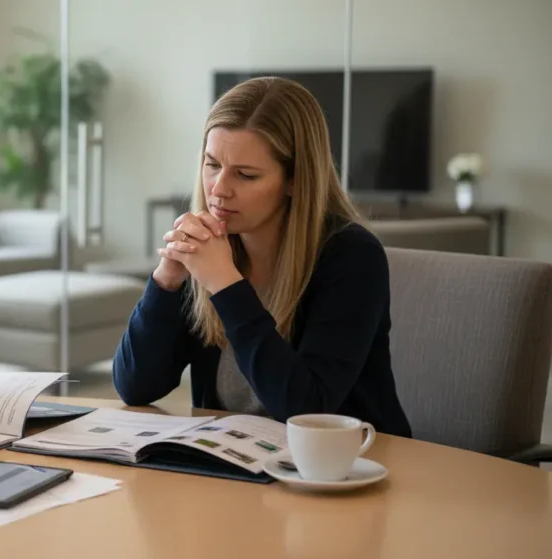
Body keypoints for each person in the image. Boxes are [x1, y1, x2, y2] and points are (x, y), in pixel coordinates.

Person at [112, 77, 412, 437]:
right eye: (212, 165)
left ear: (296, 180)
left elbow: (307, 410)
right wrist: (167, 278)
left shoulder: (352, 257)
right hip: (239, 468)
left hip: (344, 470)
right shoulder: (212, 247)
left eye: (246, 175)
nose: (219, 189)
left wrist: (225, 284)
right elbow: (135, 386)